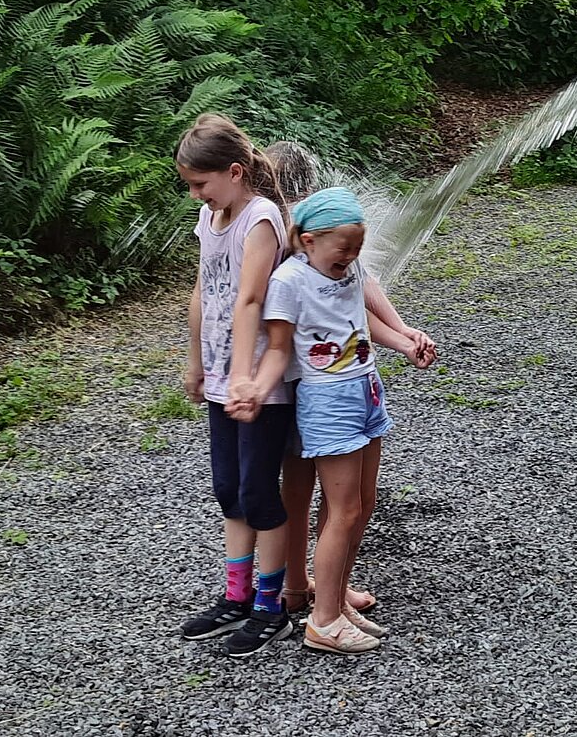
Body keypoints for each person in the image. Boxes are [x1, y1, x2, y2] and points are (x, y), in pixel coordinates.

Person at [230, 186, 435, 654]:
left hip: (366, 389)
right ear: (308, 240)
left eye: (357, 251)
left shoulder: (345, 268)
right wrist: (255, 389)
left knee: (360, 503)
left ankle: (334, 598)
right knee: (344, 511)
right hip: (327, 402)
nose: (351, 260)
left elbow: (359, 319)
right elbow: (279, 347)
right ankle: (322, 622)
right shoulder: (289, 281)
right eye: (344, 252)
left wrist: (405, 341)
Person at [175, 113, 297, 658]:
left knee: (258, 492)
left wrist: (245, 376)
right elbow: (203, 292)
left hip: (260, 381)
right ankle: (237, 596)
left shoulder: (261, 218)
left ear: (234, 171)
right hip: (223, 375)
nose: (196, 194)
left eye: (200, 183)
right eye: (190, 185)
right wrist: (196, 362)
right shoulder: (210, 216)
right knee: (228, 489)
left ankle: (271, 609)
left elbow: (250, 298)